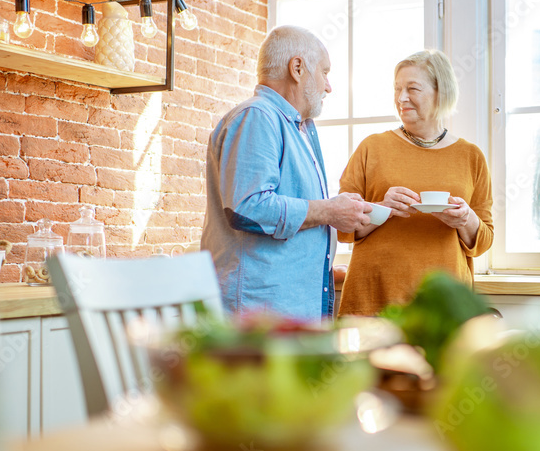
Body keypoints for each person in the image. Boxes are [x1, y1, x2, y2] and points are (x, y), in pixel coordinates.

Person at [201, 26, 372, 320]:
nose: (328, 86)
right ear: (297, 68)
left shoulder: (299, 127)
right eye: (324, 72)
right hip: (257, 318)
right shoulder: (257, 116)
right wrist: (329, 211)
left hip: (283, 313)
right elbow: (248, 208)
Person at [337, 49, 493, 316]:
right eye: (397, 89)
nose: (401, 98)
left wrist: (465, 219)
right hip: (375, 296)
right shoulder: (371, 147)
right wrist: (382, 208)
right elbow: (343, 226)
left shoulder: (471, 156)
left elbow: (484, 240)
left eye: (412, 88)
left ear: (440, 93)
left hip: (444, 304)